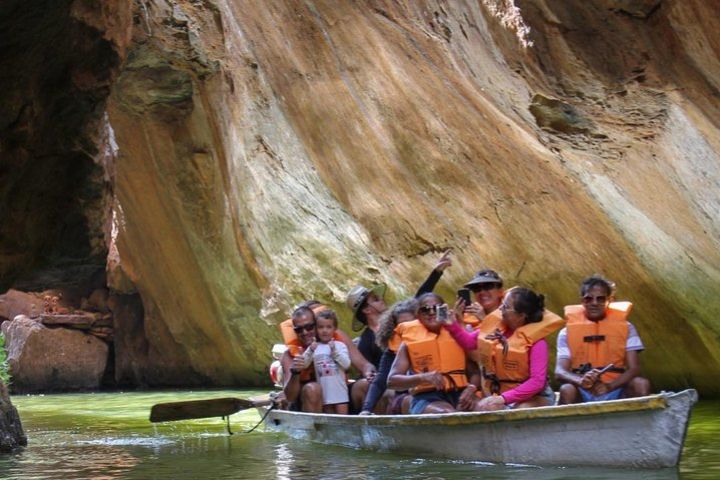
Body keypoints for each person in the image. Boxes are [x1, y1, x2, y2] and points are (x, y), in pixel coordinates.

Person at [445, 287, 564, 410]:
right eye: (502, 304)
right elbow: (469, 343)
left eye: (506, 307)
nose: (501, 309)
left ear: (521, 316)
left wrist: (503, 398)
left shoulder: (537, 342)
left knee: (521, 409)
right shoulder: (496, 328)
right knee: (483, 407)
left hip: (535, 396)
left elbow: (537, 382)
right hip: (501, 393)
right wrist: (451, 325)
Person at [555, 275, 651, 404]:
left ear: (609, 300)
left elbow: (634, 368)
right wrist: (581, 380)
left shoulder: (628, 328)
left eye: (600, 299)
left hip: (616, 388)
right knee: (566, 389)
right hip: (583, 390)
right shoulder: (565, 332)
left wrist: (610, 386)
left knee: (641, 384)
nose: (594, 303)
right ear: (582, 301)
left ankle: (640, 422)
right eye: (589, 299)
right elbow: (559, 371)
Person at [387, 293, 479, 414]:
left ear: (444, 310)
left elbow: (475, 372)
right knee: (446, 413)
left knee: (489, 407)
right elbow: (392, 381)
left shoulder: (458, 335)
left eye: (437, 308)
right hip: (427, 398)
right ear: (418, 315)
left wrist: (471, 389)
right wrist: (422, 377)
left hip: (461, 394)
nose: (431, 313)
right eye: (425, 310)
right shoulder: (408, 343)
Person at [359, 299, 418, 415]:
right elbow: (380, 380)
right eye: (401, 326)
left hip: (433, 393)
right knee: (408, 401)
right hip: (405, 396)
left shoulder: (433, 338)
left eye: (410, 324)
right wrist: (366, 409)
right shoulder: (392, 350)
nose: (406, 329)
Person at [302, 310, 351, 414]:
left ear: (335, 329)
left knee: (342, 422)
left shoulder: (339, 345)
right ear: (316, 329)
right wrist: (310, 350)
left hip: (340, 394)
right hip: (325, 395)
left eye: (328, 327)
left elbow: (347, 364)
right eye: (321, 327)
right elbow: (304, 364)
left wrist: (334, 351)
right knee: (329, 423)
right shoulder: (314, 347)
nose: (324, 331)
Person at [280, 306, 323, 412]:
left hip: (335, 397)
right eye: (299, 330)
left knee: (363, 385)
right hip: (306, 401)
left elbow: (363, 365)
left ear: (316, 325)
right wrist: (295, 372)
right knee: (313, 389)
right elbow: (289, 397)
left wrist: (368, 371)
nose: (304, 332)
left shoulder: (333, 343)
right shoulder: (288, 355)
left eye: (309, 327)